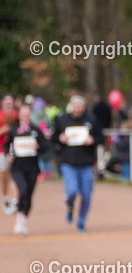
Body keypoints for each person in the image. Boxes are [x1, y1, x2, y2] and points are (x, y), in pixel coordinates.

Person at [54, 95, 104, 233]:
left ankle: (81, 222)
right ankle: (70, 206)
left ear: (84, 106)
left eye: (80, 105)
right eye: (75, 105)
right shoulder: (62, 119)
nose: (78, 108)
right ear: (71, 106)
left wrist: (93, 140)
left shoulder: (91, 120)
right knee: (71, 191)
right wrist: (61, 138)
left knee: (87, 195)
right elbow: (54, 137)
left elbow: (101, 137)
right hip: (69, 162)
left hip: (87, 163)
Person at [4, 103, 48, 235]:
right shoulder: (14, 130)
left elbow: (45, 145)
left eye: (27, 114)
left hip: (32, 167)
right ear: (19, 115)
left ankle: (22, 220)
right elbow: (7, 146)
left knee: (28, 194)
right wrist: (9, 154)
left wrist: (37, 146)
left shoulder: (35, 130)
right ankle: (18, 215)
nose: (25, 117)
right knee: (22, 190)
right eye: (23, 114)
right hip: (18, 166)